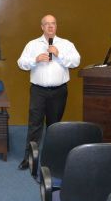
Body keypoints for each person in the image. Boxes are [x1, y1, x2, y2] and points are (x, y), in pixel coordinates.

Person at [17, 14, 80, 170]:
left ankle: (52, 160)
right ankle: (29, 159)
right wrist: (35, 60)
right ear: (42, 27)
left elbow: (76, 62)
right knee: (34, 125)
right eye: (47, 24)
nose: (51, 26)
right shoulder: (32, 44)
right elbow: (21, 63)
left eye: (53, 23)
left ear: (56, 26)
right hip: (38, 91)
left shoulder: (66, 44)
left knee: (54, 126)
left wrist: (59, 54)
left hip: (59, 91)